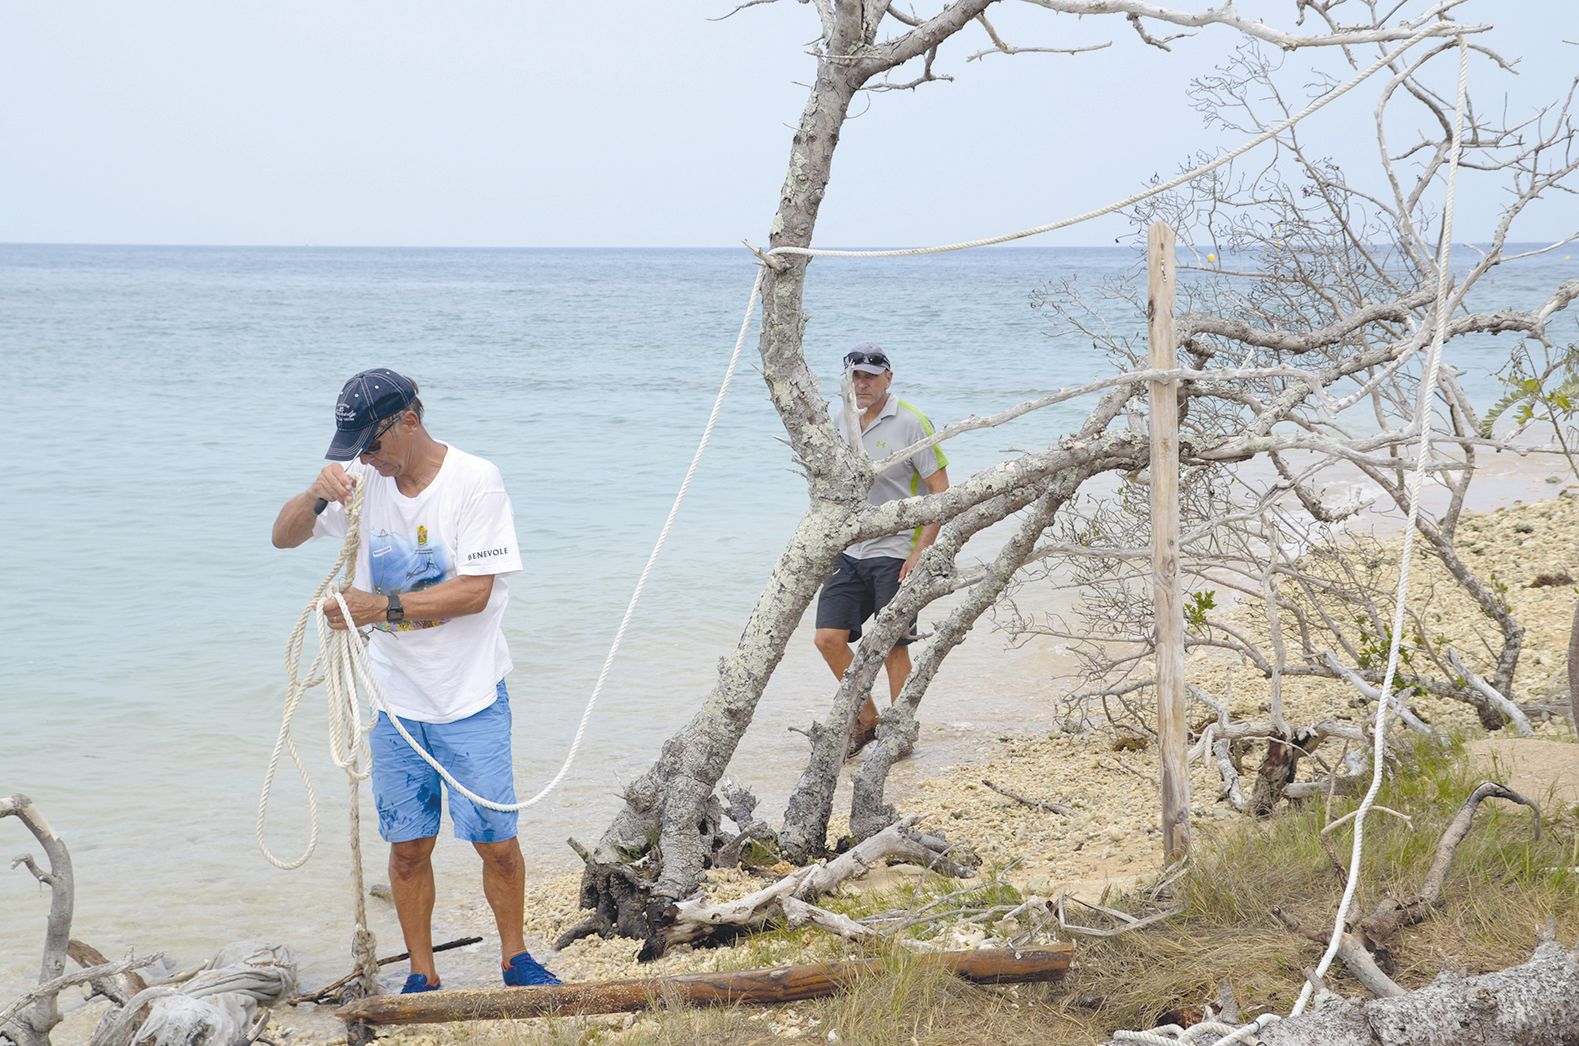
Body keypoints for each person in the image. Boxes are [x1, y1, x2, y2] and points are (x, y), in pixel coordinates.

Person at [271, 368, 560, 993]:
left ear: (408, 421)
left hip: (471, 696)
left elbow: (476, 592)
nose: (366, 460)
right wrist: (315, 495)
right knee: (407, 850)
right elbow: (282, 537)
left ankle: (516, 958)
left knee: (497, 844)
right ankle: (423, 974)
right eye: (355, 451)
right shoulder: (363, 484)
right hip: (394, 705)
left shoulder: (474, 480)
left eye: (371, 445)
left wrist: (380, 608)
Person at [813, 345, 949, 755]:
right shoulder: (841, 418)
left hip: (897, 550)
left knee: (894, 644)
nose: (863, 383)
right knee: (827, 639)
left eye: (871, 376)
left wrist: (920, 552)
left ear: (889, 378)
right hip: (850, 550)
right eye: (856, 376)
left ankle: (900, 733)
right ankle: (868, 720)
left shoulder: (911, 422)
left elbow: (940, 493)